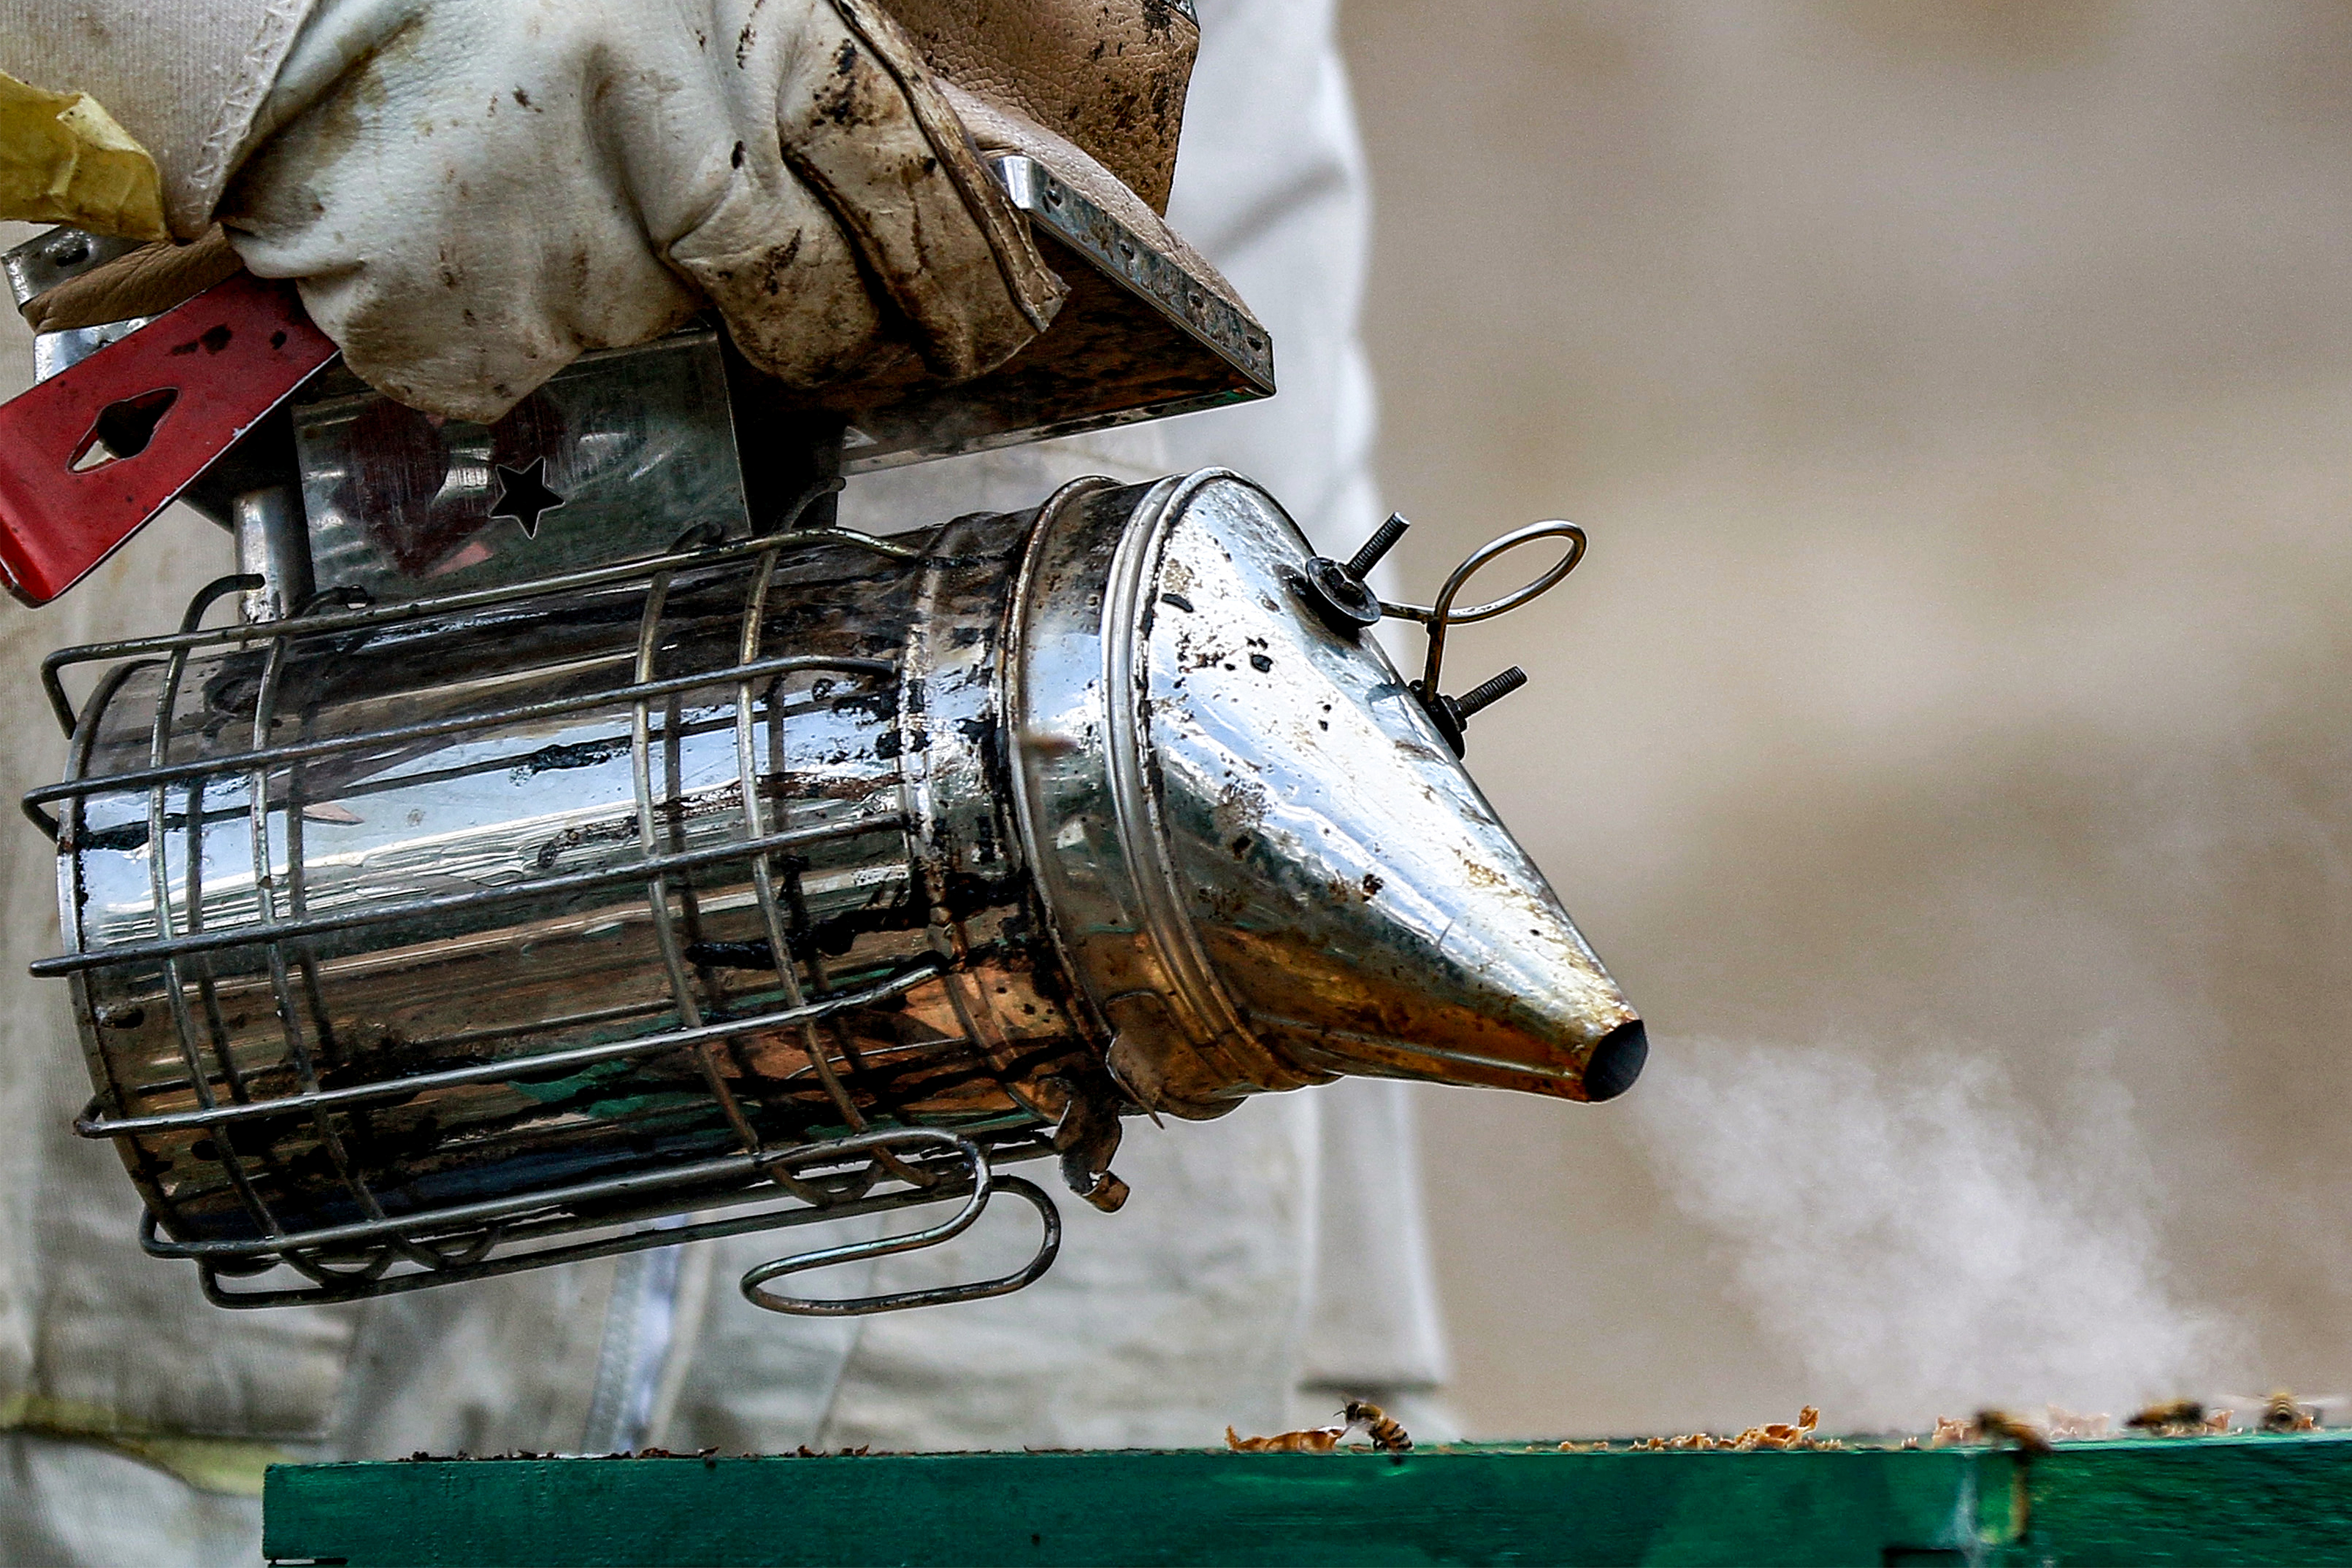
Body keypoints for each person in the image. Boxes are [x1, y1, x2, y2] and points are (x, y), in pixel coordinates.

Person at [0, 3, 1452, 1561]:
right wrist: (266, 42)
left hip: (962, 1343)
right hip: (138, 1312)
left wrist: (1350, 1381)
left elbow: (1266, 561)